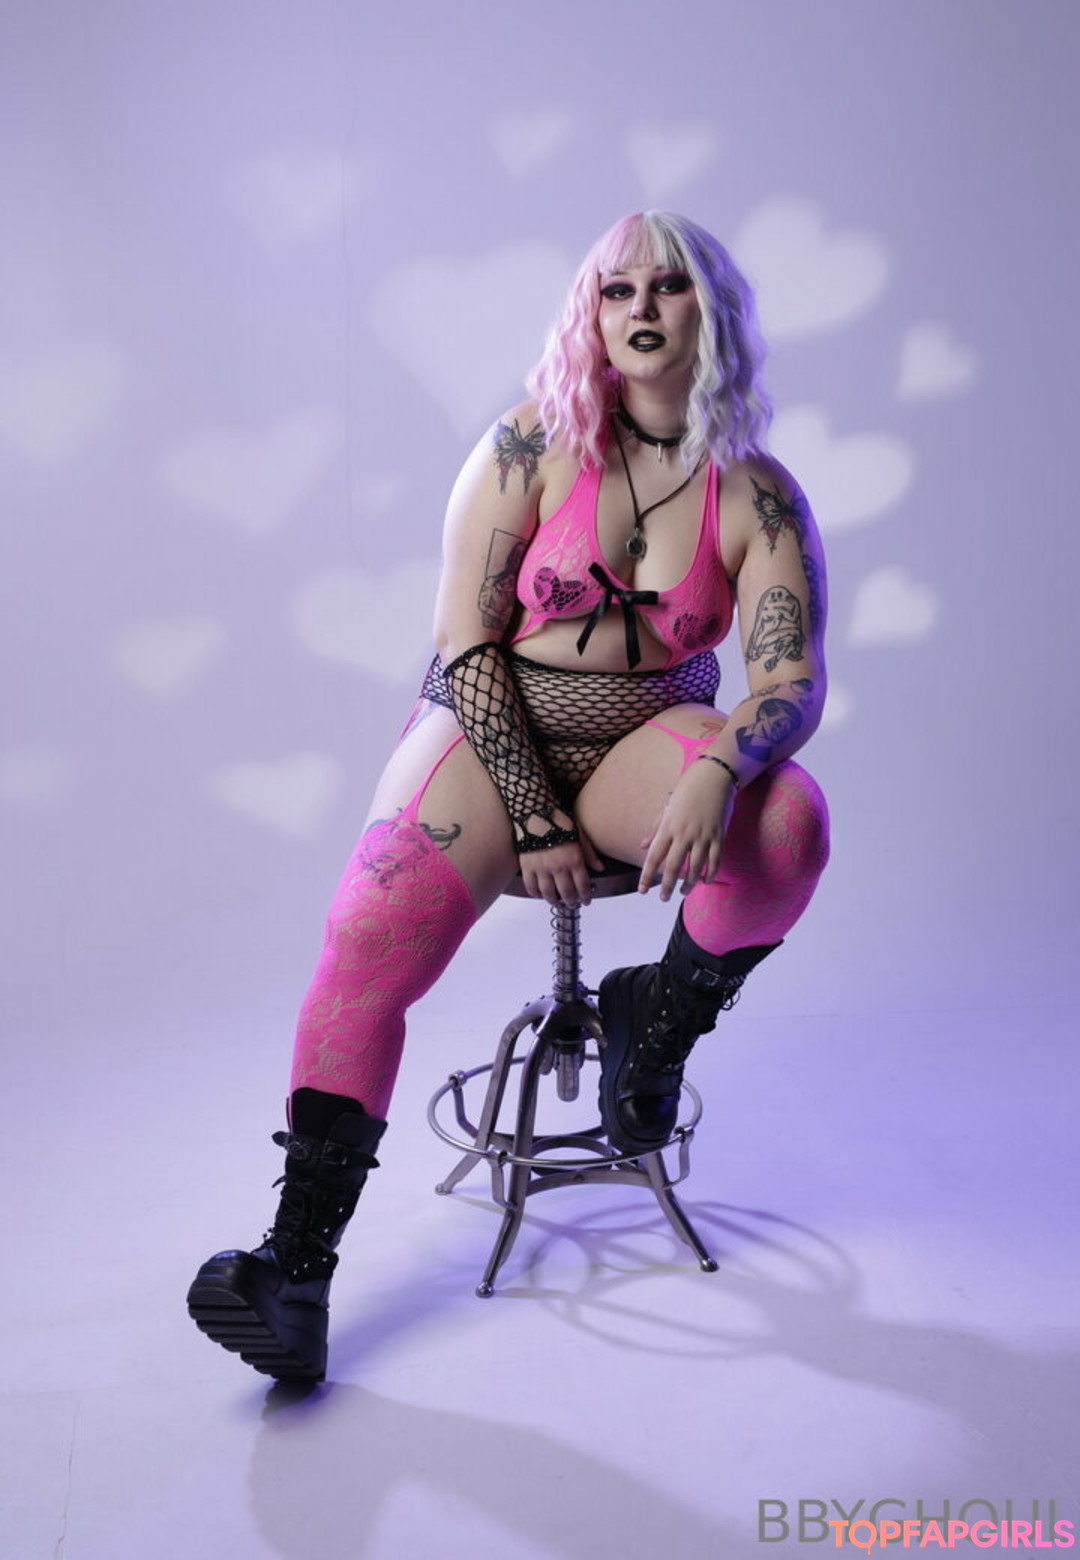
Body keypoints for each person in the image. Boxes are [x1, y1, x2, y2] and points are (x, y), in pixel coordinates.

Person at [187, 211, 831, 1382]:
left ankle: (657, 1023)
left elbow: (791, 681)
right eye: (616, 289)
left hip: (650, 735)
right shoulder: (529, 446)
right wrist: (532, 812)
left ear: (713, 310)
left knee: (789, 824)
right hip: (492, 724)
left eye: (669, 286)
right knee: (367, 929)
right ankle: (296, 1271)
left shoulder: (757, 495)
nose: (641, 309)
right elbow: (465, 641)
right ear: (590, 313)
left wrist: (718, 769)